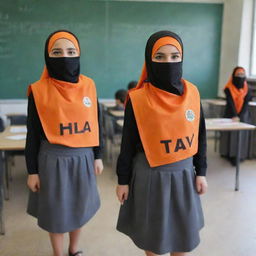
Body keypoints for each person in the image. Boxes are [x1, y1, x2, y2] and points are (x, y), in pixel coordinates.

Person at [116, 31, 208, 256]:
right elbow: (127, 144)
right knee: (153, 237)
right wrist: (123, 180)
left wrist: (201, 171)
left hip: (184, 175)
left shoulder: (192, 93)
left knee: (182, 236)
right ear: (149, 60)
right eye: (160, 57)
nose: (168, 62)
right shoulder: (137, 98)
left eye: (175, 56)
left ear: (182, 58)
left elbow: (200, 135)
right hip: (149, 176)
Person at [25, 30, 104, 256]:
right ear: (48, 56)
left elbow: (95, 123)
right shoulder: (38, 91)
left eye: (71, 51)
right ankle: (58, 254)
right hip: (52, 159)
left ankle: (74, 249)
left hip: (84, 158)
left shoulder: (89, 85)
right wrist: (32, 171)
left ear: (79, 54)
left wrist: (98, 155)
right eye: (57, 52)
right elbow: (33, 134)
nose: (65, 57)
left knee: (80, 207)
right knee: (56, 212)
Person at [220, 66, 252, 165]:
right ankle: (228, 154)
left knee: (241, 135)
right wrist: (235, 115)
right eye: (238, 74)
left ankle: (240, 155)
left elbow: (246, 103)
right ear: (233, 75)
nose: (240, 76)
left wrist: (240, 116)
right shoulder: (228, 88)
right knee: (229, 135)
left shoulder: (248, 89)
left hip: (243, 115)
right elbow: (230, 102)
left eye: (242, 74)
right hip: (230, 114)